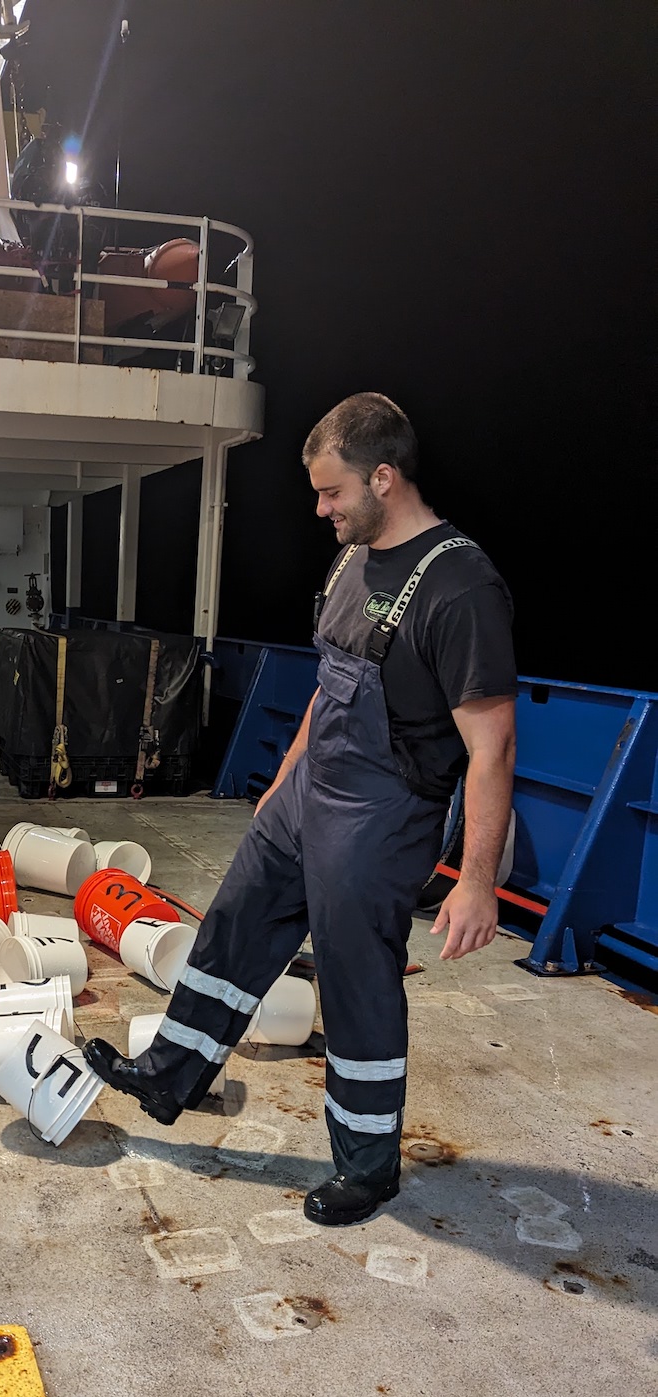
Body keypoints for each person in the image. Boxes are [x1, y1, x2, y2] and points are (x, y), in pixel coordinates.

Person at [84, 393, 517, 1225]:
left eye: (332, 493)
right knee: (233, 923)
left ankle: (366, 1164)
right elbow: (330, 684)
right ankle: (172, 1075)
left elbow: (491, 746)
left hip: (381, 815)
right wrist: (282, 784)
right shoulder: (350, 561)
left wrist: (477, 881)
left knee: (356, 983)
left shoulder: (459, 586)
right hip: (310, 792)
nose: (320, 509)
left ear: (383, 478)